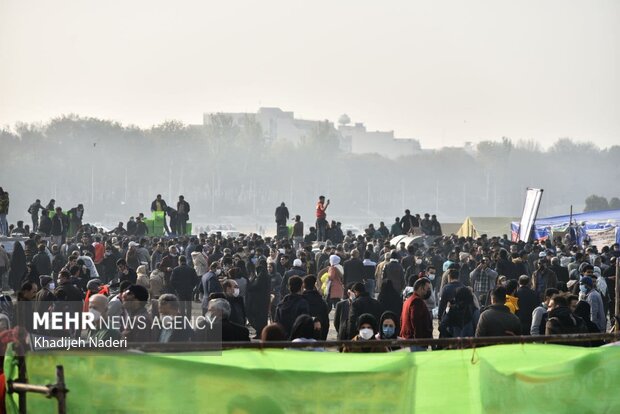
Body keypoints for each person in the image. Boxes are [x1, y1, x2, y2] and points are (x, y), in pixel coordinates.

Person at [400, 277, 433, 343]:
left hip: (406, 339)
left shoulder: (408, 301)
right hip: (415, 343)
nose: (429, 291)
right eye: (428, 289)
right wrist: (419, 341)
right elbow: (415, 321)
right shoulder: (417, 301)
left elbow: (401, 320)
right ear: (421, 288)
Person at [246, 259, 270, 338]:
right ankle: (262, 333)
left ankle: (260, 333)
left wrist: (250, 282)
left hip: (258, 302)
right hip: (264, 301)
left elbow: (254, 287)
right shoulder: (266, 275)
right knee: (263, 318)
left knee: (258, 318)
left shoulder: (260, 277)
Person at [170, 255, 198, 320]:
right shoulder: (191, 269)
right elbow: (196, 280)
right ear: (186, 261)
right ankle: (188, 318)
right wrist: (192, 286)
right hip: (189, 290)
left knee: (181, 305)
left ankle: (182, 318)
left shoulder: (176, 269)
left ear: (179, 261)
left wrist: (176, 288)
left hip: (180, 290)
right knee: (189, 305)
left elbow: (172, 281)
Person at [302, 275, 330, 340]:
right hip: (318, 336)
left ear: (304, 286)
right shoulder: (322, 302)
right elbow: (326, 323)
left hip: (303, 338)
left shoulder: (301, 300)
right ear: (315, 285)